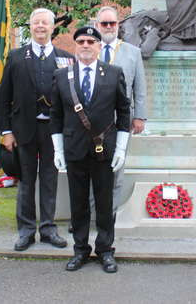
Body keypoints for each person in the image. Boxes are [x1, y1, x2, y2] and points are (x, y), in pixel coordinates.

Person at [50, 26, 131, 273]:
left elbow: (124, 112)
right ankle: (81, 250)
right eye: (81, 41)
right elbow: (56, 115)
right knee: (79, 204)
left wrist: (120, 149)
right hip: (74, 149)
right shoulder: (63, 76)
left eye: (90, 41)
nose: (86, 45)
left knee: (105, 204)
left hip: (103, 149)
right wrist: (58, 150)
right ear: (76, 46)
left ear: (98, 46)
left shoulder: (114, 73)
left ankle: (105, 250)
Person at [0, 8, 71, 251]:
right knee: (27, 182)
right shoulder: (17, 56)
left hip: (53, 132)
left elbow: (71, 99)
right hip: (23, 130)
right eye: (36, 23)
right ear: (30, 27)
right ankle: (26, 231)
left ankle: (49, 229)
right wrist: (6, 131)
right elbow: (3, 97)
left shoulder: (65, 58)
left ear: (53, 27)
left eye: (45, 23)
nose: (40, 26)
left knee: (49, 180)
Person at [95, 6, 147, 212]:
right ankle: (90, 213)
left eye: (112, 23)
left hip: (122, 120)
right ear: (97, 25)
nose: (108, 27)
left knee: (117, 167)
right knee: (92, 168)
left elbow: (140, 87)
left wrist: (140, 116)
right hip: (92, 120)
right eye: (104, 23)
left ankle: (110, 213)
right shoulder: (89, 48)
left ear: (119, 25)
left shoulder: (132, 52)